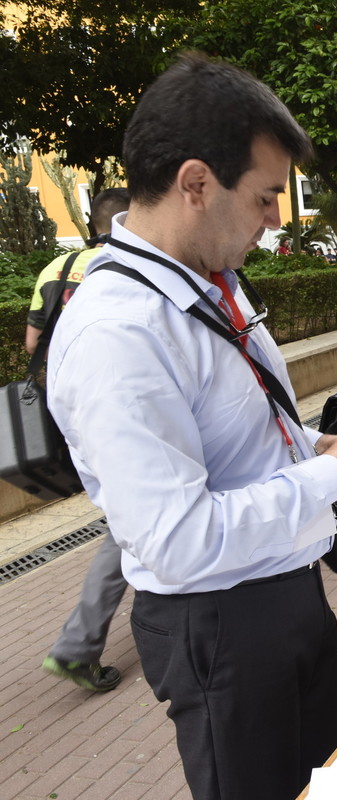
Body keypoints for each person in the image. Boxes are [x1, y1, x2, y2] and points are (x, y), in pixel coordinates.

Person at [46, 54, 337, 800]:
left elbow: (236, 430)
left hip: (280, 587)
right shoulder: (119, 331)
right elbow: (179, 538)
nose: (274, 219)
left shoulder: (205, 283)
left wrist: (303, 445)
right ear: (196, 184)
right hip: (222, 618)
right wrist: (329, 474)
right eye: (264, 197)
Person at [34, 187, 131, 692]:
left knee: (120, 516)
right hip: (115, 409)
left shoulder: (56, 268)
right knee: (125, 524)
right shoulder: (127, 266)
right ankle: (78, 646)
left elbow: (33, 343)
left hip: (68, 408)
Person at [25, 188, 130, 355]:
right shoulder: (138, 268)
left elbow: (33, 343)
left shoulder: (56, 267)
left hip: (64, 379)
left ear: (94, 223)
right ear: (130, 220)